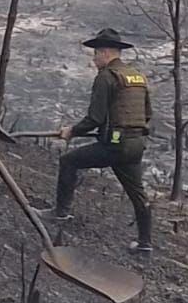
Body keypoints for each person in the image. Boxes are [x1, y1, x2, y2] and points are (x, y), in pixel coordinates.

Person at [40, 28, 154, 253]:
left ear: (105, 53)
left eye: (95, 54)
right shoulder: (137, 77)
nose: (93, 59)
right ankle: (144, 244)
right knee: (138, 195)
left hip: (115, 145)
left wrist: (71, 131)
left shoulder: (106, 77)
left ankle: (60, 212)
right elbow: (148, 113)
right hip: (136, 144)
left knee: (69, 161)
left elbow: (95, 118)